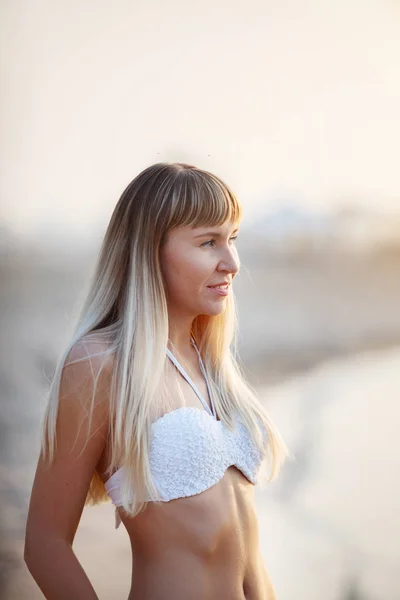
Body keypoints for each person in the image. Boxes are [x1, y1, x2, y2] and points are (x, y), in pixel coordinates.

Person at [24, 162, 289, 599]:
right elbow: (45, 545)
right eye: (209, 242)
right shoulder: (99, 365)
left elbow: (250, 561)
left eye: (233, 239)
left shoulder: (211, 366)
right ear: (150, 250)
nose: (232, 263)